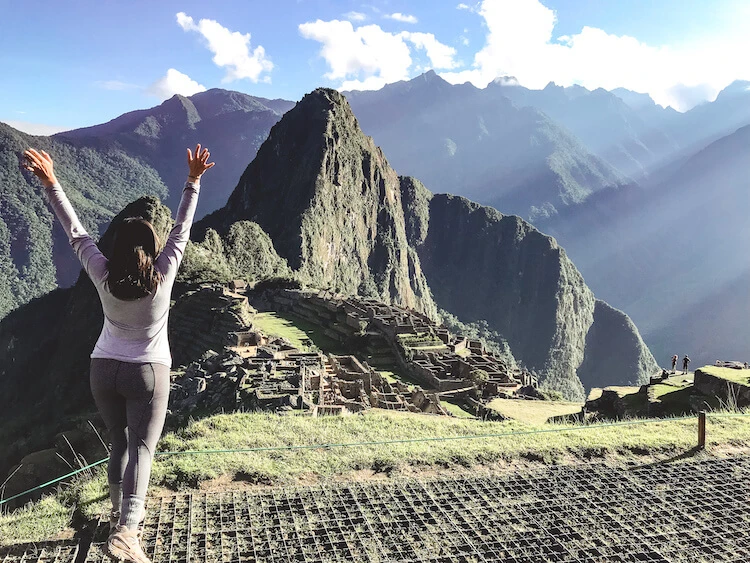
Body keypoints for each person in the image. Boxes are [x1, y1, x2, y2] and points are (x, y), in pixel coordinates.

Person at [23, 145, 214, 563]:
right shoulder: (163, 275)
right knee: (143, 450)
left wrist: (51, 182)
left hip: (102, 368)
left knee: (118, 442)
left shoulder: (102, 273)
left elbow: (75, 232)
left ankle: (116, 513)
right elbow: (182, 227)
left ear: (117, 246)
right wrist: (193, 179)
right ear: (151, 245)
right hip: (147, 371)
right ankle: (128, 533)